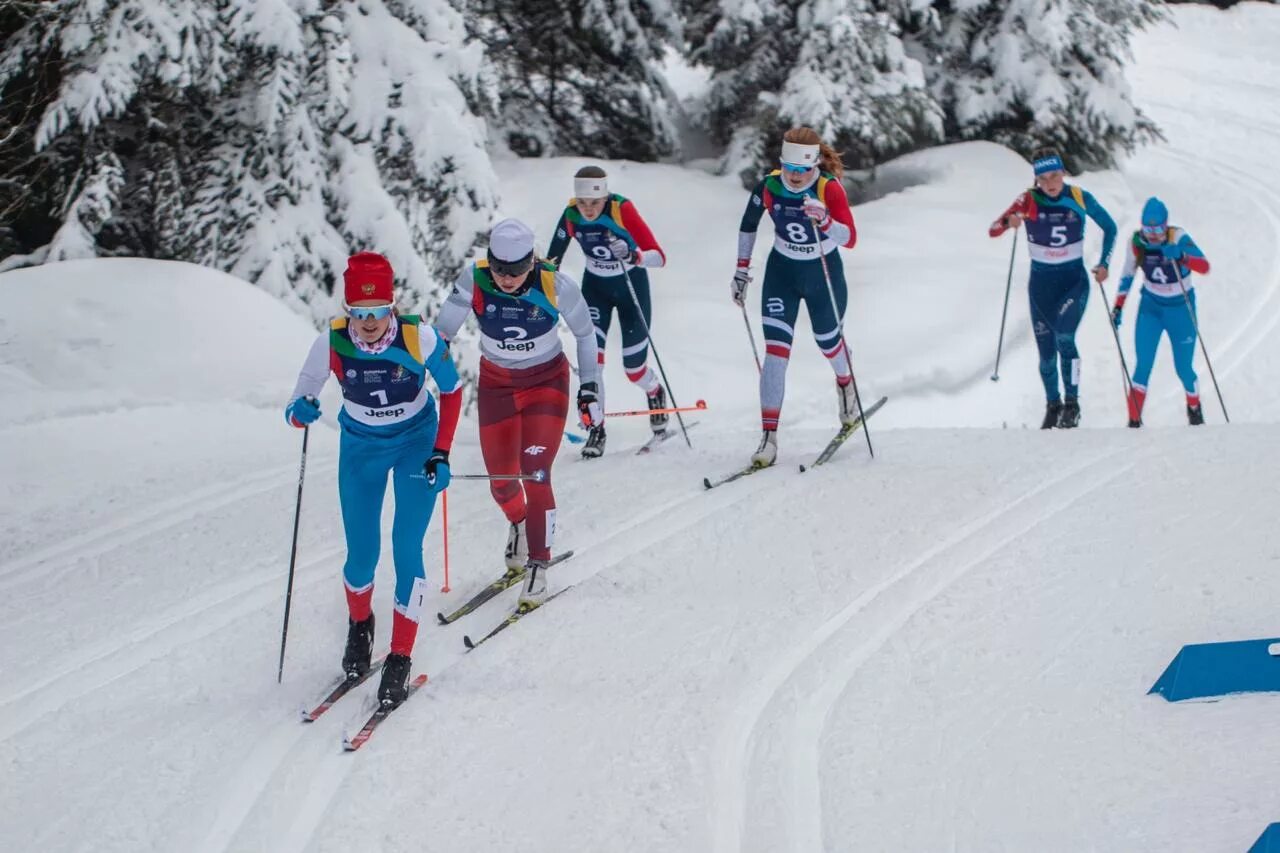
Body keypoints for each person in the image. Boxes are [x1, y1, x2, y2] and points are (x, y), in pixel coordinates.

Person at [285, 251, 461, 707]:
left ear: (391, 306)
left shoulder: (417, 337)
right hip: (361, 447)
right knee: (362, 554)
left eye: (376, 312)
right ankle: (360, 624)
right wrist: (300, 410)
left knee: (407, 547)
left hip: (415, 443)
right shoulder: (332, 342)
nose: (367, 323)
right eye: (358, 313)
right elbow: (299, 397)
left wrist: (441, 451)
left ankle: (400, 655)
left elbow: (452, 388)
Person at [434, 219, 600, 611]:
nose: (506, 279)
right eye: (499, 270)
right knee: (502, 484)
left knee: (534, 468)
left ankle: (538, 565)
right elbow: (440, 334)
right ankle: (522, 524)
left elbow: (586, 333)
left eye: (516, 271)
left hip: (546, 382)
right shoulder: (473, 280)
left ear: (532, 262)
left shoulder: (555, 285)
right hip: (498, 385)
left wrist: (590, 387)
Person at [732, 126, 859, 467]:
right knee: (775, 353)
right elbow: (748, 224)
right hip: (782, 274)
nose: (796, 176)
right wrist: (741, 271)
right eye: (790, 168)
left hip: (823, 272)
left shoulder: (828, 188)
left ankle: (846, 384)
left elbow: (850, 238)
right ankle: (768, 438)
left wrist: (826, 220)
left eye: (803, 169)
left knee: (828, 342)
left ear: (815, 164)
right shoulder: (770, 185)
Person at [990, 148, 1117, 429]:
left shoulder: (1079, 197)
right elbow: (993, 229)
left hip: (1073, 282)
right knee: (1046, 356)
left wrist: (1104, 263)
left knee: (1065, 336)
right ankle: (1053, 405)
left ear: (1064, 174)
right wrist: (1008, 222)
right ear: (1036, 179)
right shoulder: (1028, 200)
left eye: (1055, 176)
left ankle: (1072, 404)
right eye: (1044, 178)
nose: (1050, 183)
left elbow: (1110, 227)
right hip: (1040, 287)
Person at [546, 165, 668, 458]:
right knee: (593, 360)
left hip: (631, 289)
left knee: (633, 368)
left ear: (605, 197)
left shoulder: (621, 210)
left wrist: (632, 255)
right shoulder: (571, 215)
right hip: (595, 291)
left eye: (594, 203)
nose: (588, 210)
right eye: (583, 202)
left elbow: (659, 257)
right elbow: (552, 261)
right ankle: (597, 429)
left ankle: (654, 391)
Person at [1111, 197, 1211, 426]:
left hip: (1181, 309)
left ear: (1166, 225)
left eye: (1158, 229)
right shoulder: (1137, 243)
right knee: (1142, 365)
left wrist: (1182, 257)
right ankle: (1134, 422)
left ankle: (1194, 408)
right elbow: (1127, 275)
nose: (1153, 234)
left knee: (1184, 368)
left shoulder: (1179, 237)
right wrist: (1118, 306)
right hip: (1151, 308)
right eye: (1148, 228)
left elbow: (1204, 266)